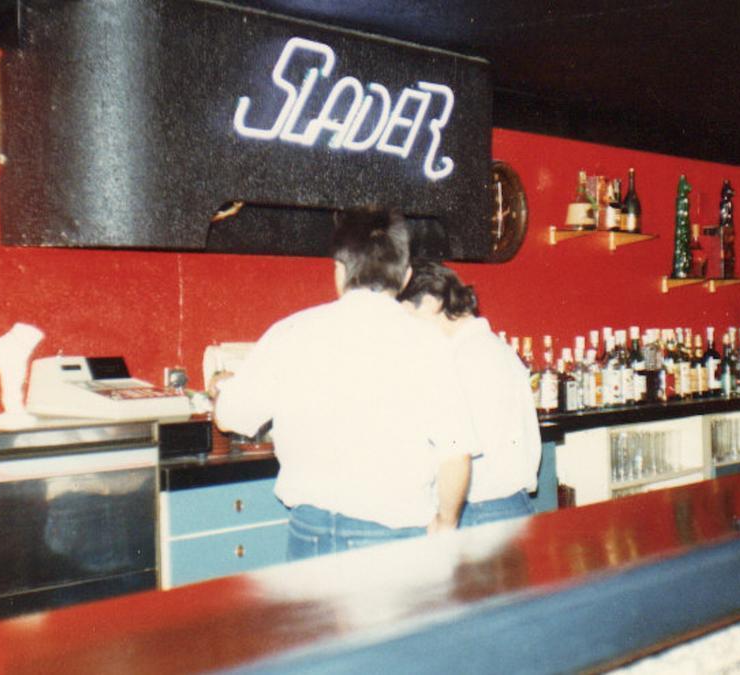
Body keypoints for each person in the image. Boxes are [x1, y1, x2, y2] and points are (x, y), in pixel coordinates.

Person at [211, 208, 475, 560]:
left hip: (310, 535)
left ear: (339, 270)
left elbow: (229, 418)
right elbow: (456, 455)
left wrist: (220, 389)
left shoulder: (291, 331)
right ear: (407, 274)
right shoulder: (428, 343)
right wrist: (445, 523)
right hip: (393, 541)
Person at [398, 261, 542, 527]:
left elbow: (455, 452)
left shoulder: (459, 360)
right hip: (511, 506)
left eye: (407, 316)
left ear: (431, 302)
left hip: (476, 511)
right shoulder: (495, 349)